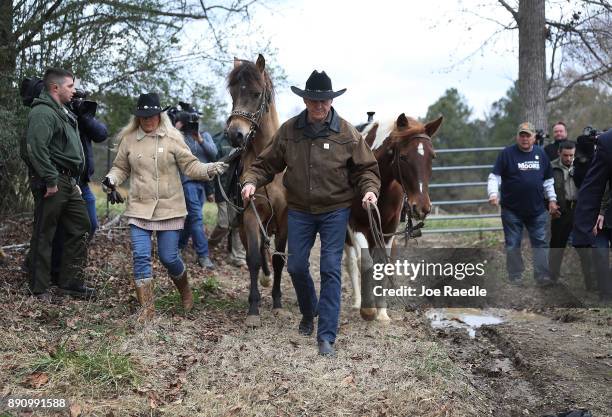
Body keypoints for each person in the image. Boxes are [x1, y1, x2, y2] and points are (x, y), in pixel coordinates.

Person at [241, 70, 381, 356]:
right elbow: (266, 163)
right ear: (305, 100)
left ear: (331, 101)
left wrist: (369, 191)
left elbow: (366, 169)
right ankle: (308, 311)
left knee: (330, 268)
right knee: (295, 266)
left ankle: (326, 335)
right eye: (314, 101)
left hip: (334, 210)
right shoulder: (290, 131)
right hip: (300, 210)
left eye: (324, 101)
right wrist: (251, 181)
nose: (319, 106)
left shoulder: (346, 132)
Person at [103, 93, 227, 321]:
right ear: (137, 118)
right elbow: (120, 168)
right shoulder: (130, 140)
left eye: (152, 116)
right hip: (139, 208)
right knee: (140, 256)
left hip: (170, 208)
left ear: (160, 115)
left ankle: (185, 290)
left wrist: (210, 169)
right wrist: (111, 180)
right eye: (143, 117)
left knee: (168, 257)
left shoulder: (173, 138)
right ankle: (147, 310)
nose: (148, 120)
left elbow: (191, 166)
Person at [25, 67, 95, 300]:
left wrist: (72, 180)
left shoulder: (62, 111)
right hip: (52, 180)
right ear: (55, 88)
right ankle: (39, 288)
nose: (74, 91)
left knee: (81, 225)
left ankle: (71, 283)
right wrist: (50, 179)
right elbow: (36, 148)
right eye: (70, 86)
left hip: (68, 181)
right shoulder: (43, 112)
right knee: (45, 232)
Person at [488, 122, 558, 287]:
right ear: (517, 137)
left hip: (537, 209)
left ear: (534, 137)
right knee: (513, 243)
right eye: (522, 135)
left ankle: (542, 276)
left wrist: (553, 200)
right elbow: (494, 177)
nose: (525, 138)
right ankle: (516, 276)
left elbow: (548, 181)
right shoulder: (507, 154)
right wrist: (493, 194)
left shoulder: (541, 154)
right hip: (512, 210)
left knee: (540, 242)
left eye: (528, 135)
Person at [51, 95, 108, 283]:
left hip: (82, 183)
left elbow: (101, 134)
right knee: (59, 228)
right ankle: (56, 269)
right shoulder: (59, 114)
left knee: (90, 224)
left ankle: (70, 268)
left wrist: (84, 116)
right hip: (63, 178)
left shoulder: (81, 118)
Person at [174, 107, 218, 269]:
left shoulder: (204, 136)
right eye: (190, 122)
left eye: (196, 121)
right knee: (197, 218)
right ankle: (203, 256)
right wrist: (177, 129)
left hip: (202, 182)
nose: (193, 124)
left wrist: (200, 139)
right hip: (187, 182)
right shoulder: (180, 137)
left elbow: (214, 154)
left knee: (192, 219)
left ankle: (178, 246)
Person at [572, 129, 612, 302]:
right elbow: (592, 186)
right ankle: (605, 295)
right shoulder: (607, 143)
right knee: (600, 256)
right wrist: (586, 224)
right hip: (602, 216)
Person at [548, 141, 593, 287]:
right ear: (559, 153)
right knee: (557, 246)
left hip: (580, 210)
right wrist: (550, 206)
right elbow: (545, 188)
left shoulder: (582, 165)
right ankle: (552, 279)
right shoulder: (551, 167)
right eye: (565, 155)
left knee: (584, 247)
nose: (568, 158)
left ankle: (591, 282)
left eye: (571, 155)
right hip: (561, 209)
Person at [209, 131, 246, 267]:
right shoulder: (218, 141)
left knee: (237, 224)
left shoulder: (244, 140)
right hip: (222, 189)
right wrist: (210, 190)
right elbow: (212, 165)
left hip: (237, 191)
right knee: (224, 224)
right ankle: (208, 246)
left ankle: (237, 256)